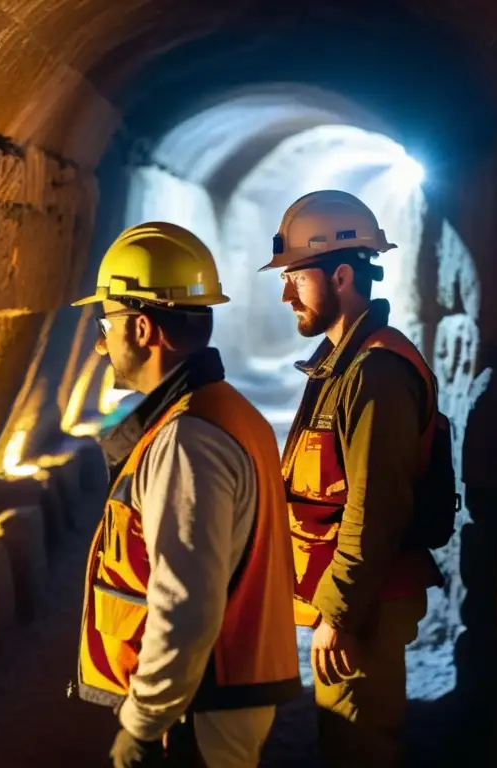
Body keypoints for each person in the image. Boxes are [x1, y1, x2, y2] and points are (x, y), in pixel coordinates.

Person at [72, 222, 302, 767]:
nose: (101, 345)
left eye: (107, 325)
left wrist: (143, 721)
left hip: (200, 704)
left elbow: (186, 604)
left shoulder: (186, 439)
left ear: (145, 329)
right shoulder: (224, 411)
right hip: (217, 691)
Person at [259, 190, 445, 766]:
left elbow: (376, 504)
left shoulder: (376, 374)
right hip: (357, 600)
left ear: (340, 275)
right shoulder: (342, 364)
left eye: (296, 277)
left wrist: (339, 614)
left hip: (367, 607)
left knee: (357, 746)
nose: (286, 293)